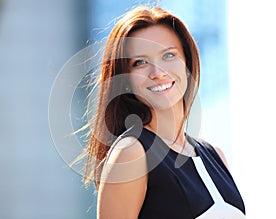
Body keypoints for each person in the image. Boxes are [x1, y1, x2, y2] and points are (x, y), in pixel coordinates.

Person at [80, 5, 246, 219]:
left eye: (168, 56)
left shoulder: (215, 156)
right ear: (125, 79)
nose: (157, 73)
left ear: (187, 62)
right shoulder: (131, 152)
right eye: (140, 63)